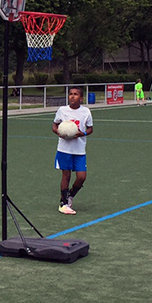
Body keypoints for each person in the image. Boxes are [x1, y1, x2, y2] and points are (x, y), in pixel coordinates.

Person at [52, 86, 94, 215]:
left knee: (82, 177)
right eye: (70, 94)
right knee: (66, 175)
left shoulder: (86, 112)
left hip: (79, 150)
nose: (72, 96)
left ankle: (70, 195)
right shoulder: (62, 110)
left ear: (81, 98)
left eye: (76, 94)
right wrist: (58, 132)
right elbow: (55, 125)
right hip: (64, 149)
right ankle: (63, 203)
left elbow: (90, 128)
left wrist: (83, 134)